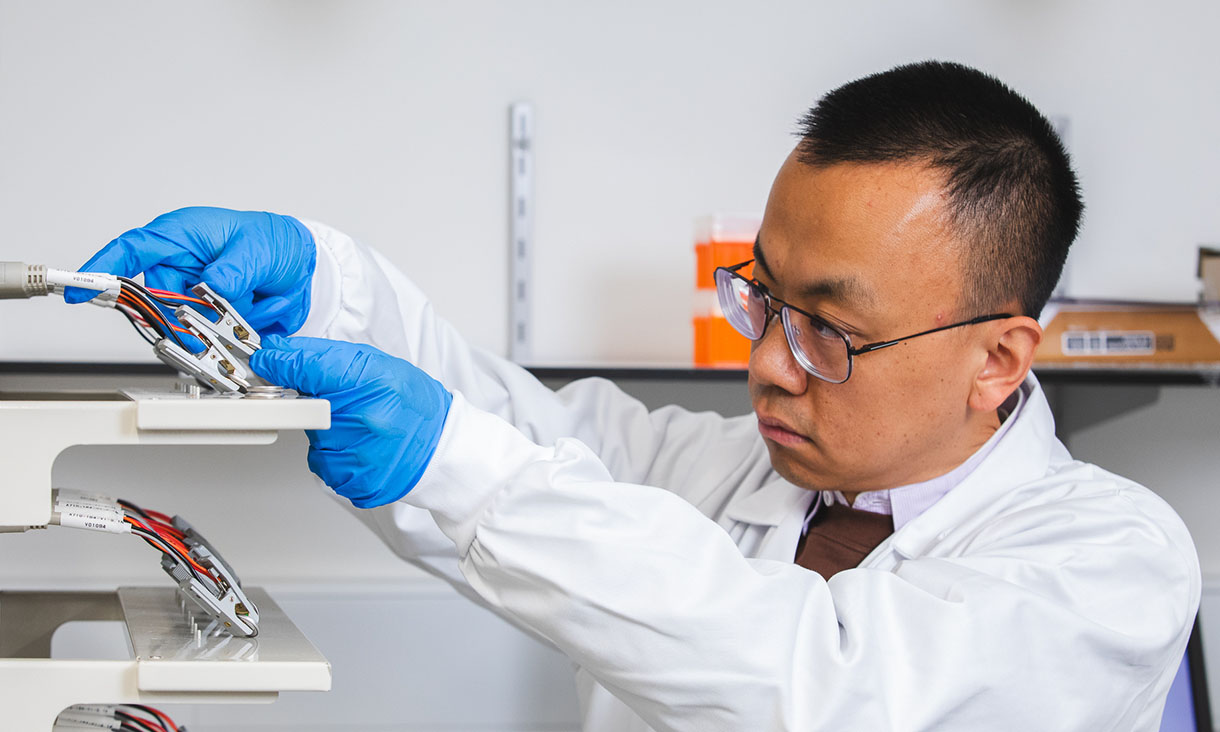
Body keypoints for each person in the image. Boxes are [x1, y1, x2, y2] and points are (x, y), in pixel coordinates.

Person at [70, 61, 1199, 731]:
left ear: (997, 359)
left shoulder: (1110, 564)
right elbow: (515, 435)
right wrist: (331, 287)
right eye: (763, 296)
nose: (768, 363)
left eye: (829, 329)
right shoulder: (713, 472)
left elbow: (824, 685)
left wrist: (459, 468)